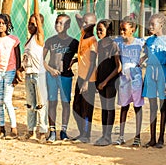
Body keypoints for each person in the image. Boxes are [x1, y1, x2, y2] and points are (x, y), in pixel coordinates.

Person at [18, 0, 48, 143]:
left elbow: (36, 15)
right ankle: (30, 130)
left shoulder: (39, 37)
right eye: (29, 24)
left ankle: (43, 131)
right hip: (29, 75)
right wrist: (21, 69)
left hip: (39, 74)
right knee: (30, 104)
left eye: (33, 24)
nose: (30, 26)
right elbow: (26, 58)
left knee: (41, 104)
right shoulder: (29, 40)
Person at [43, 14, 79, 143]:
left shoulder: (74, 42)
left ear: (68, 26)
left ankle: (63, 131)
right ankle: (52, 131)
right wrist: (50, 69)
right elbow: (42, 59)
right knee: (52, 102)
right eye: (57, 23)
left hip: (66, 76)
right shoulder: (50, 41)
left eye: (61, 23)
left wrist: (74, 61)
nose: (58, 25)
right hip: (52, 75)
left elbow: (84, 54)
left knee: (65, 103)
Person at [140, 13, 166, 148]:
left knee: (162, 106)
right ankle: (152, 138)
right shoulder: (148, 41)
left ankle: (161, 138)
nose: (150, 27)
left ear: (161, 25)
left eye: (153, 24)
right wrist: (140, 61)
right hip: (149, 73)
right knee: (152, 106)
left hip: (162, 73)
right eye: (149, 24)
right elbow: (146, 54)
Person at [113, 15, 144, 147]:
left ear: (133, 29)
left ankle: (137, 136)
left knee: (137, 107)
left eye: (124, 29)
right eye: (120, 30)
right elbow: (117, 59)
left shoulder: (140, 43)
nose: (122, 32)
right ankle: (121, 136)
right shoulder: (118, 43)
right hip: (124, 80)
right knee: (124, 107)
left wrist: (141, 62)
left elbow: (148, 53)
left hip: (136, 79)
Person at [0, 14, 21, 140]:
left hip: (10, 72)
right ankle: (2, 128)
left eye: (3, 23)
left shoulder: (13, 40)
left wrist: (17, 73)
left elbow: (18, 57)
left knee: (7, 100)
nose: (0, 25)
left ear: (8, 25)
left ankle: (13, 127)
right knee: (0, 101)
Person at [94, 19, 121, 146]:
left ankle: (108, 136)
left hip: (111, 81)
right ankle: (104, 135)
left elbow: (118, 67)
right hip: (100, 81)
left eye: (101, 30)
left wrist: (105, 81)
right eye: (97, 29)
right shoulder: (99, 44)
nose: (98, 32)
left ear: (108, 31)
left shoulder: (113, 45)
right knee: (104, 108)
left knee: (110, 108)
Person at [71, 13, 97, 143]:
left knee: (86, 109)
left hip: (89, 79)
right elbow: (77, 16)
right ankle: (82, 132)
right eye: (83, 23)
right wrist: (76, 59)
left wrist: (86, 82)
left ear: (93, 25)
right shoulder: (83, 34)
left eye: (87, 23)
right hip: (80, 76)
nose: (83, 25)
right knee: (76, 107)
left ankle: (86, 135)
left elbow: (92, 63)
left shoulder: (92, 41)